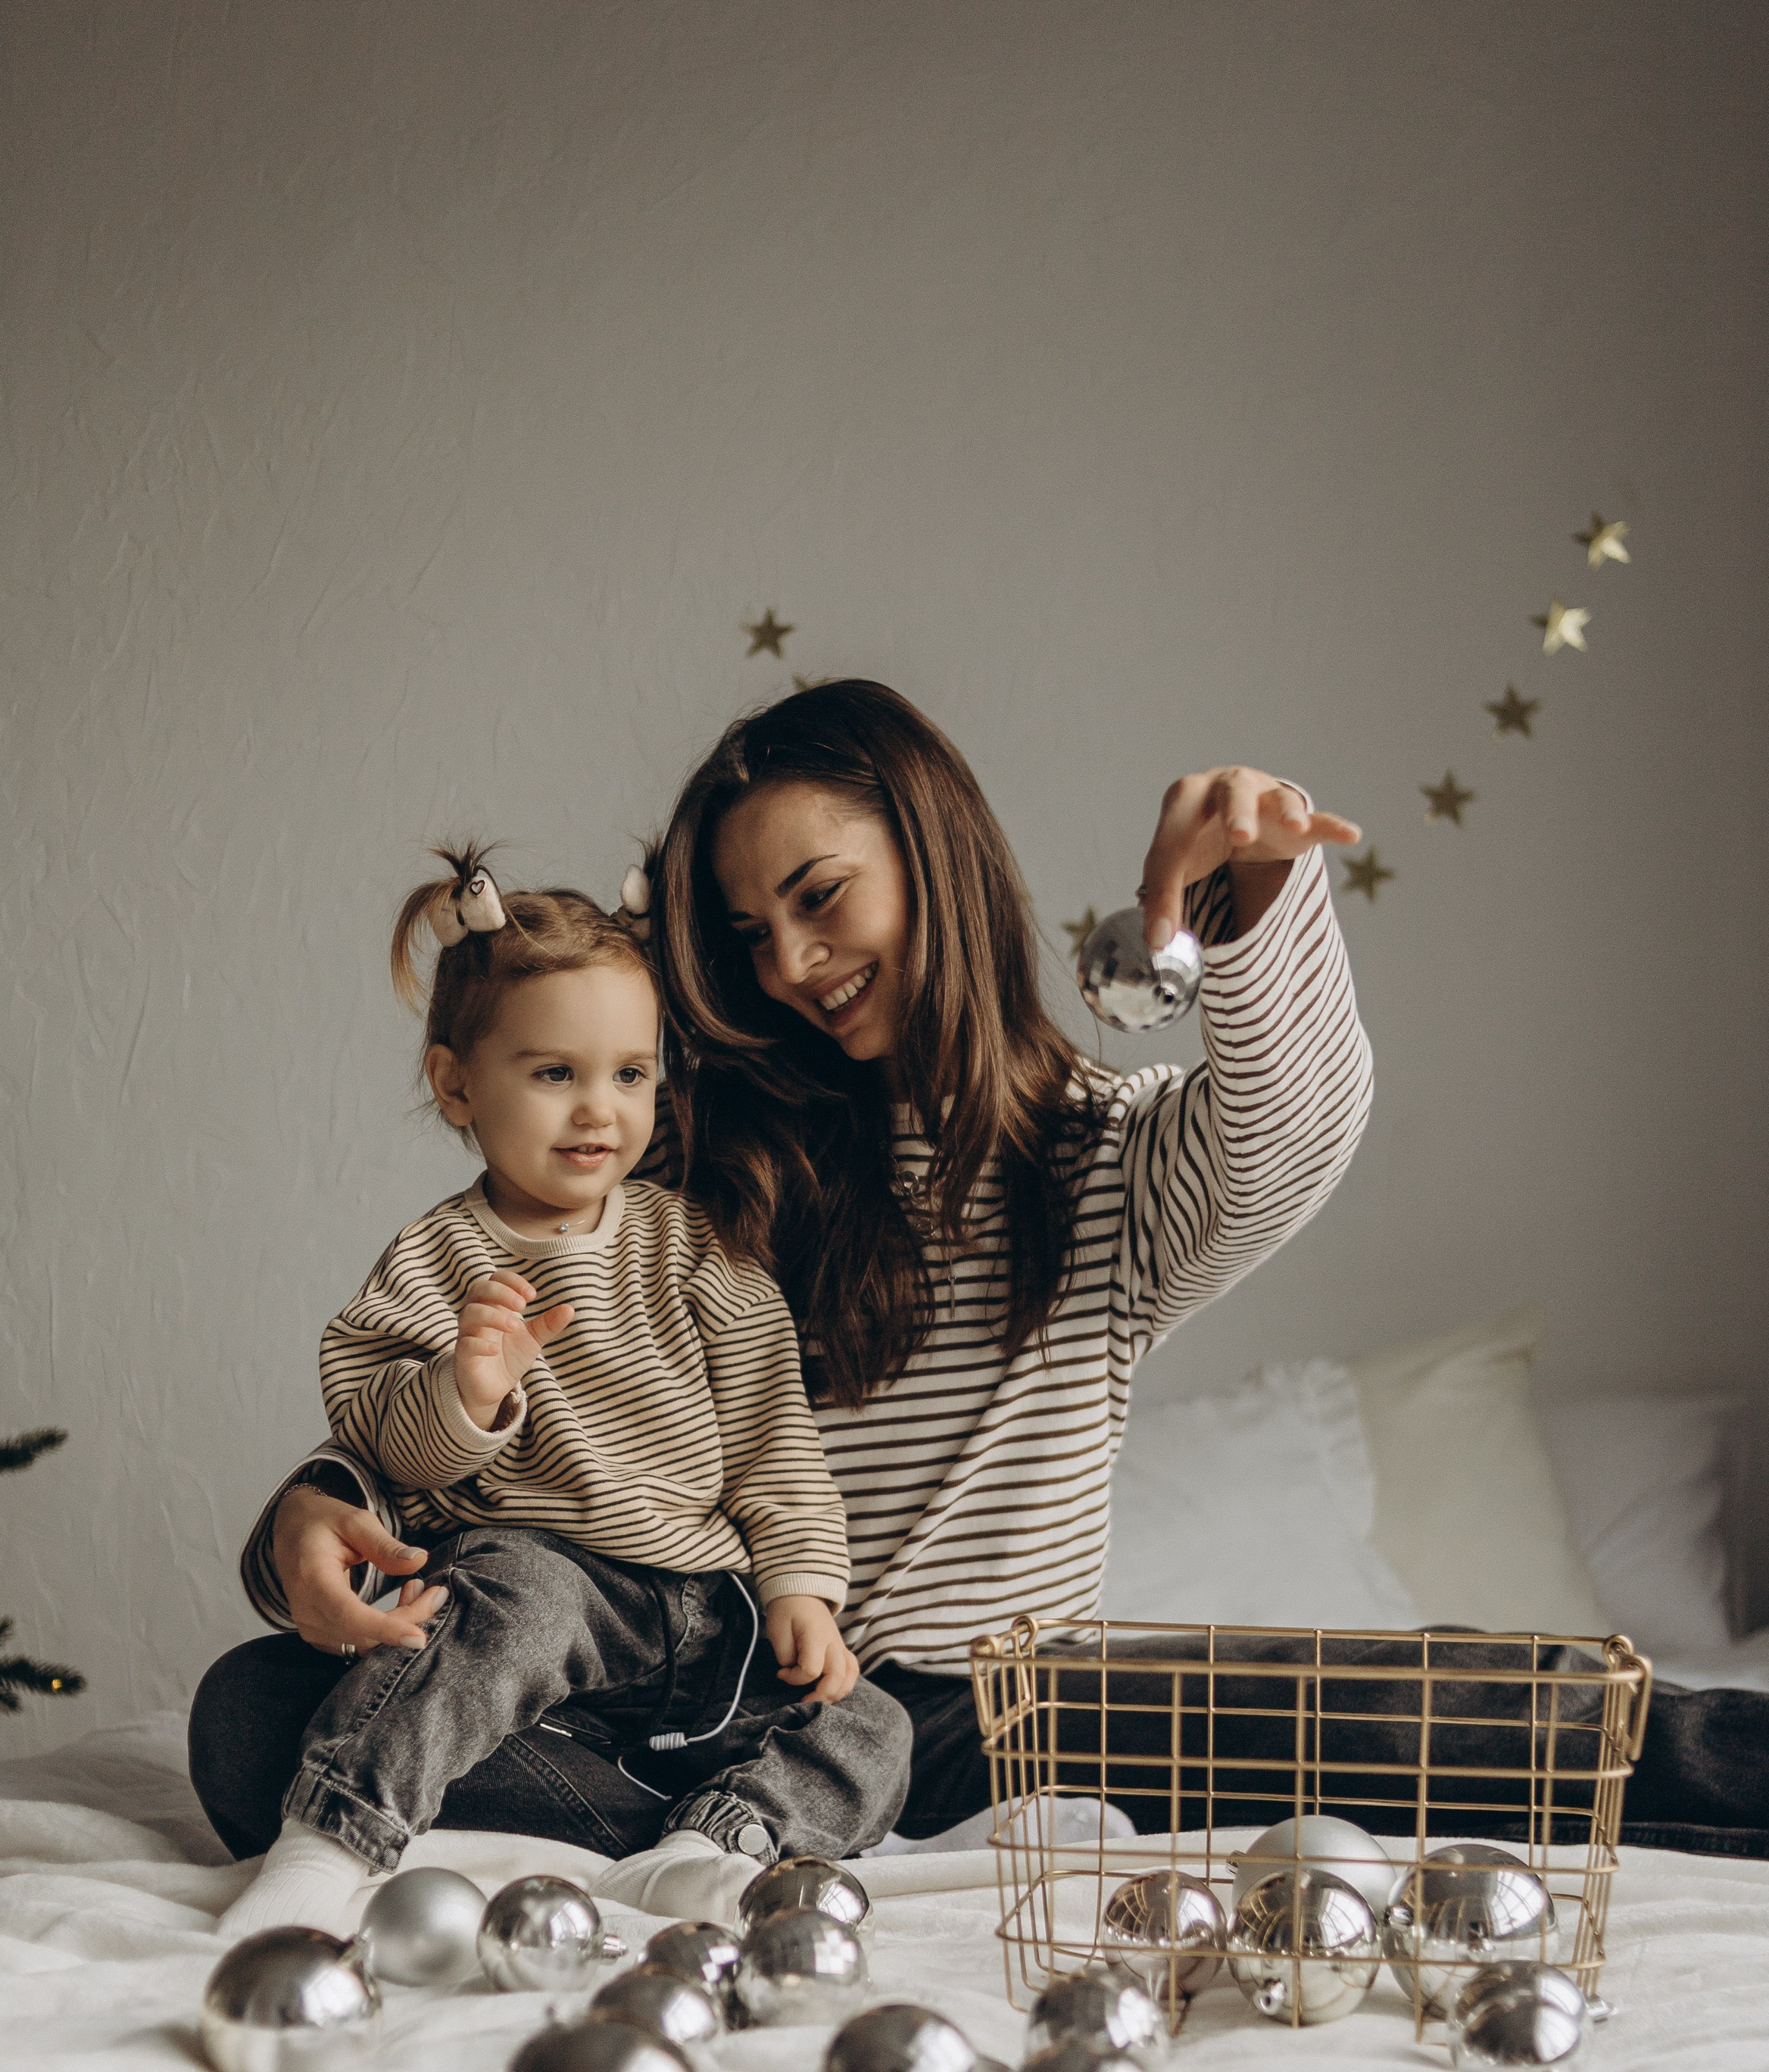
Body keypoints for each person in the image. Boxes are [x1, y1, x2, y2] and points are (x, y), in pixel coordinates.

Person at [198, 683, 1767, 1866]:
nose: (794, 965)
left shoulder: (1097, 1163)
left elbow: (1288, 1132)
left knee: (1448, 1702)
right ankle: (755, 1817)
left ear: (931, 849)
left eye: (819, 897)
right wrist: (312, 1509)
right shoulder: (681, 1183)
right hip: (705, 1693)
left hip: (1004, 1710)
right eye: (746, 937)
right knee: (253, 1717)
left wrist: (1243, 906)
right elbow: (471, 1389)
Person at [205, 847, 909, 1941]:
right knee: (506, 1599)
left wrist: (802, 1591)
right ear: (456, 1085)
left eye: (631, 1075)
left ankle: (705, 1847)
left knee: (874, 1726)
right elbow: (378, 1437)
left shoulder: (697, 1248)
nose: (600, 1111)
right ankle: (336, 1836)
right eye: (554, 1074)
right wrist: (463, 1391)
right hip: (547, 1594)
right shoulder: (437, 1258)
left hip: (705, 1618)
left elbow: (776, 1445)